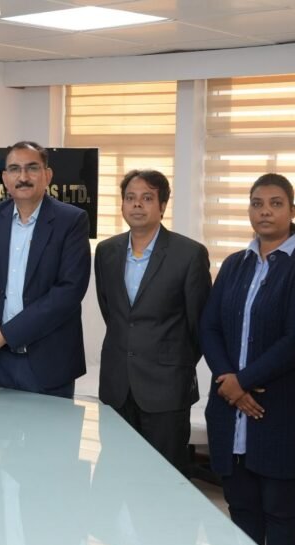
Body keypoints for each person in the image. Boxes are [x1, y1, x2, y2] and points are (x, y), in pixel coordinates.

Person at [200, 173, 295, 545]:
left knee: (279, 509)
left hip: (280, 410)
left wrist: (242, 382)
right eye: (257, 203)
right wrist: (228, 380)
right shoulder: (236, 264)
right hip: (229, 409)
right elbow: (209, 326)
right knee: (241, 504)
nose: (265, 211)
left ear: (292, 211)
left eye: (275, 203)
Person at [94, 170, 211, 471]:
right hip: (117, 386)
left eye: (147, 198)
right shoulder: (106, 252)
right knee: (114, 474)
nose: (137, 205)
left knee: (164, 477)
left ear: (162, 206)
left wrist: (171, 363)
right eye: (130, 198)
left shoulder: (189, 254)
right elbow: (114, 314)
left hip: (167, 389)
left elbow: (200, 326)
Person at [0, 141, 90, 398]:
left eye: (32, 168)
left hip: (49, 363)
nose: (23, 177)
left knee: (49, 427)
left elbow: (68, 293)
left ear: (47, 175)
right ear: (5, 178)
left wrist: (6, 334)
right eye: (15, 169)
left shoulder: (71, 220)